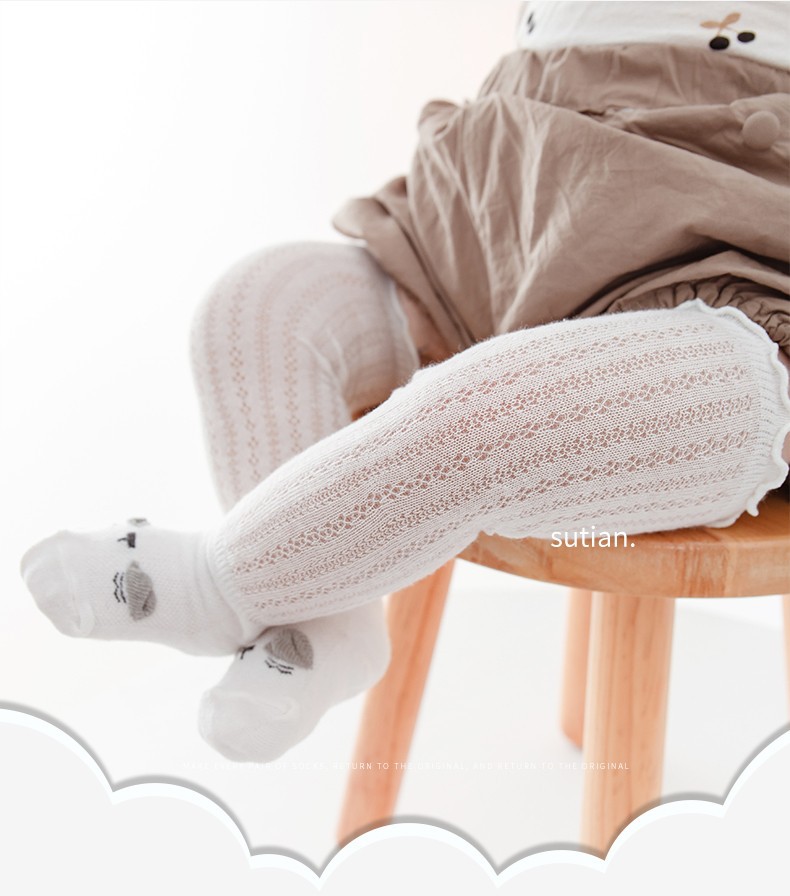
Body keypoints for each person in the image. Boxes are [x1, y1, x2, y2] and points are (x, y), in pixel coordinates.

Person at [20, 1, 790, 763]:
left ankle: (219, 587)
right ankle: (323, 630)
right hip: (514, 198)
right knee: (255, 305)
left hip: (741, 243)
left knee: (491, 417)